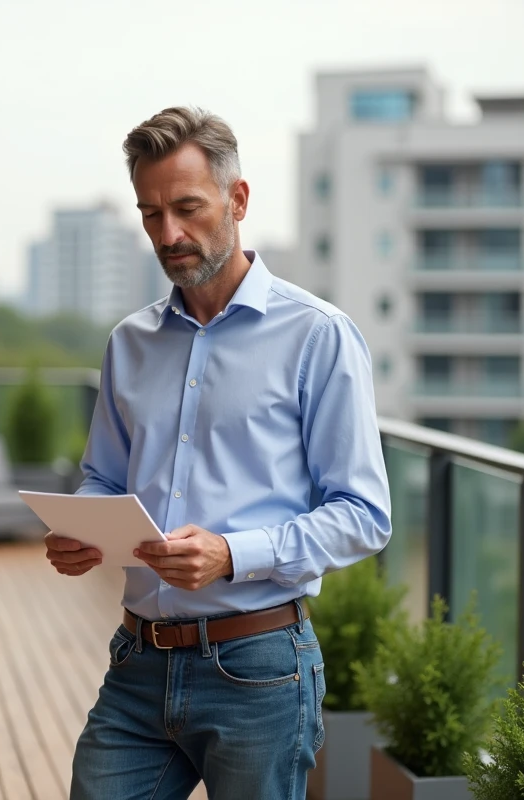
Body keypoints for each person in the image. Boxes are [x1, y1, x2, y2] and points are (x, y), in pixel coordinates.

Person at [45, 106, 392, 799]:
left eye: (187, 208)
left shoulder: (317, 336)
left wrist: (233, 554)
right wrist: (84, 528)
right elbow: (103, 476)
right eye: (150, 214)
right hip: (137, 664)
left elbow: (364, 514)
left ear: (238, 200)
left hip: (259, 669)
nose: (168, 234)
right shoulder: (129, 342)